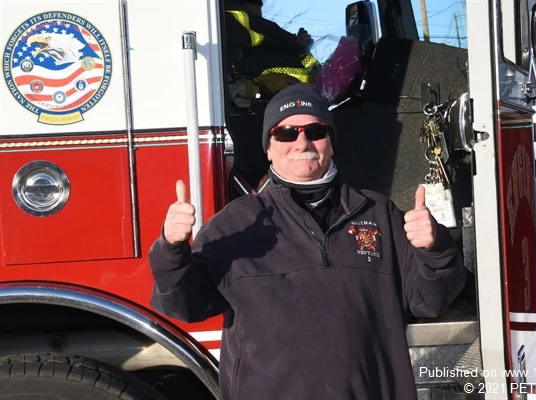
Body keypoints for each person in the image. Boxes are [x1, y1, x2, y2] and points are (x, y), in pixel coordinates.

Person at [149, 83, 465, 400]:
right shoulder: (234, 224)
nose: (302, 142)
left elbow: (431, 300)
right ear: (268, 148)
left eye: (315, 130)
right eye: (286, 133)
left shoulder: (380, 214)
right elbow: (182, 305)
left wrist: (435, 250)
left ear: (331, 143)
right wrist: (171, 249)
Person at [224, 0, 318, 97]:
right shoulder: (229, 23)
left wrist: (301, 52)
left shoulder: (277, 44)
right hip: (290, 100)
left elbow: (319, 80)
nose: (260, 17)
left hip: (301, 99)